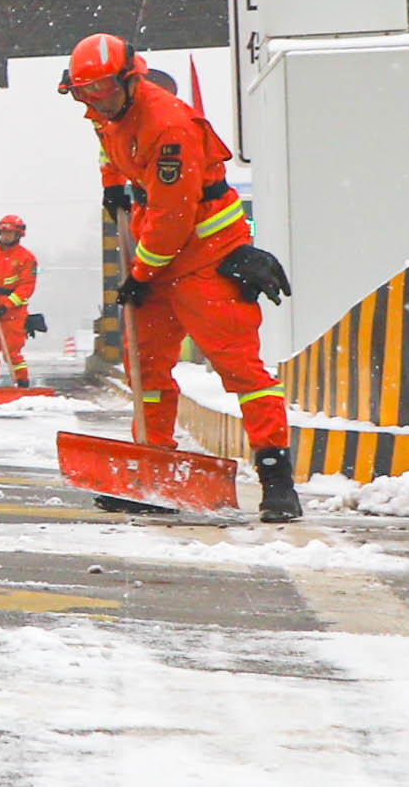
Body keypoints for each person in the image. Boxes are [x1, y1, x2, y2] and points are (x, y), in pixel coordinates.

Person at [59, 34, 298, 519]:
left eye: (103, 89)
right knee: (145, 369)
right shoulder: (107, 110)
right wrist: (112, 188)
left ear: (129, 78)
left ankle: (277, 480)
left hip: (205, 257)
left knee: (241, 370)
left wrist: (141, 273)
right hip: (158, 252)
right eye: (85, 93)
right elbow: (108, 145)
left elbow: (174, 215)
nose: (96, 100)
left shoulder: (169, 125)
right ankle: (154, 470)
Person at [0, 214, 38, 394]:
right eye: (3, 232)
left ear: (18, 234)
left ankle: (22, 384)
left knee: (13, 352)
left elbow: (27, 286)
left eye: (9, 233)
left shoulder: (26, 258)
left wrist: (8, 304)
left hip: (14, 314)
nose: (6, 236)